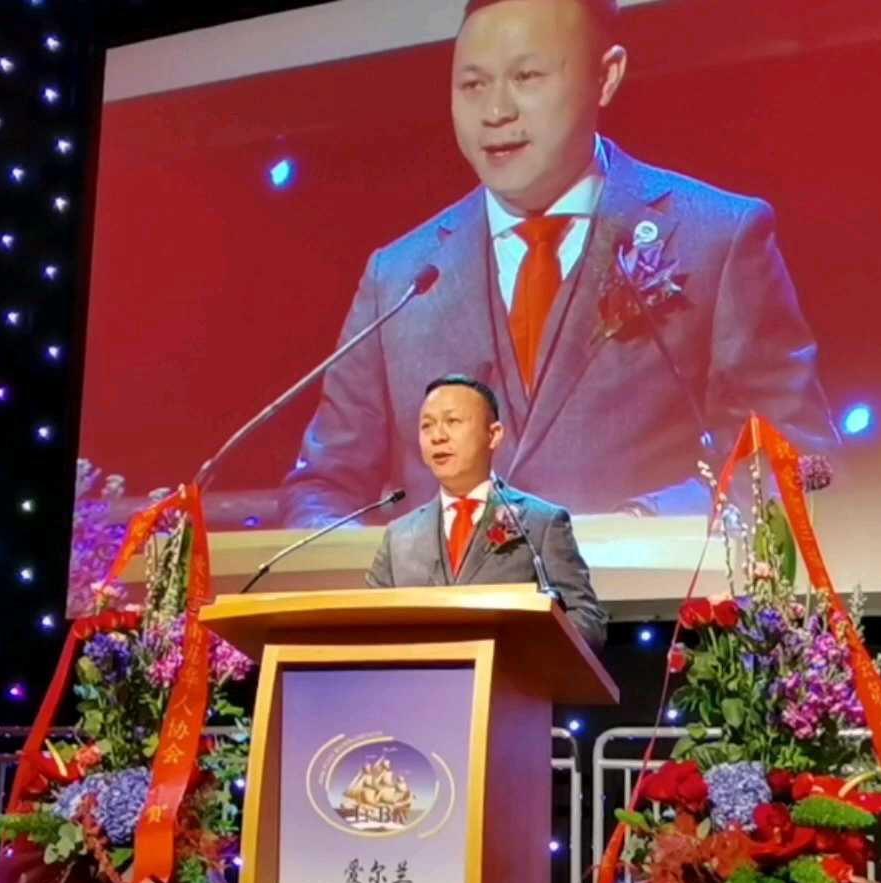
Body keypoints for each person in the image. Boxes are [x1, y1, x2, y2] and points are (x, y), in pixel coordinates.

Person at [280, 0, 839, 527]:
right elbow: (323, 487)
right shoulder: (399, 276)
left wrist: (643, 530)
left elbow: (798, 462)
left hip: (644, 596)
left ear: (606, 76)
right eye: (473, 85)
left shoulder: (717, 237)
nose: (496, 112)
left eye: (526, 77)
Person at [365, 375, 608, 653]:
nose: (437, 436)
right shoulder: (398, 537)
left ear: (493, 435)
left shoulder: (541, 523)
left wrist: (528, 656)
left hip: (511, 676)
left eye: (452, 421)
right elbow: (370, 626)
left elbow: (586, 620)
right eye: (426, 425)